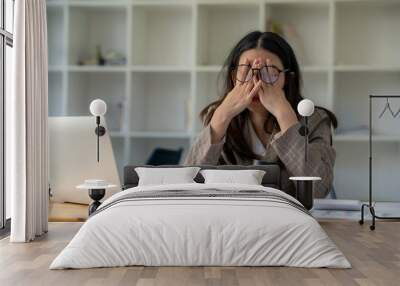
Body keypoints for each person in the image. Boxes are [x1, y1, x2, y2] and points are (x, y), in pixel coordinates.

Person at [184, 31, 337, 198]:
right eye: (247, 70)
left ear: (286, 78)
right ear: (234, 76)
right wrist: (222, 116)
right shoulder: (218, 116)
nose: (257, 83)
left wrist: (284, 115)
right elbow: (189, 183)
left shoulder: (314, 119)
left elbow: (318, 189)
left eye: (269, 72)